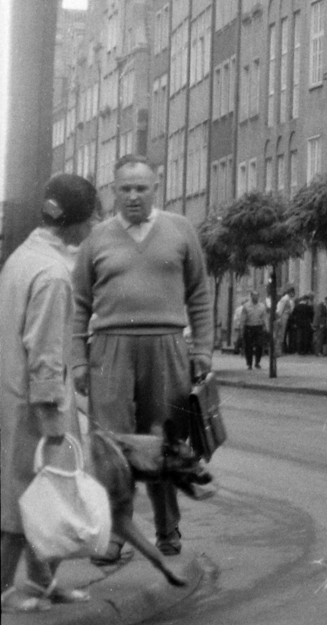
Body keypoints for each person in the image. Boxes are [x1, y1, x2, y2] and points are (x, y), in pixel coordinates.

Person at [72, 155, 212, 562]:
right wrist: (78, 361)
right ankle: (114, 534)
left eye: (141, 188)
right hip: (111, 348)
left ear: (156, 188)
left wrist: (202, 349)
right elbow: (79, 305)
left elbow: (200, 296)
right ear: (112, 191)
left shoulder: (180, 230)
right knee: (110, 447)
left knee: (167, 442)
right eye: (125, 188)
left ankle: (167, 528)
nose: (133, 196)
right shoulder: (96, 238)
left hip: (166, 345)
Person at [0, 174, 100, 612]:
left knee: (44, 494)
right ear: (75, 222)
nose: (96, 224)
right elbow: (45, 352)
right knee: (27, 495)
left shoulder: (23, 256)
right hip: (36, 403)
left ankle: (44, 580)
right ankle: (4, 587)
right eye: (93, 215)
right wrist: (51, 418)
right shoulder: (54, 274)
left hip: (11, 393)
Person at [237, 289, 269, 370]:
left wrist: (266, 327)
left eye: (257, 296)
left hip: (258, 327)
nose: (256, 297)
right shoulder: (246, 306)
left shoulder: (262, 306)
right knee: (248, 346)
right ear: (251, 296)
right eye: (254, 296)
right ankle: (249, 363)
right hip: (249, 327)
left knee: (259, 345)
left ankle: (257, 362)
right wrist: (241, 329)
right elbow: (243, 319)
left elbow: (264, 317)